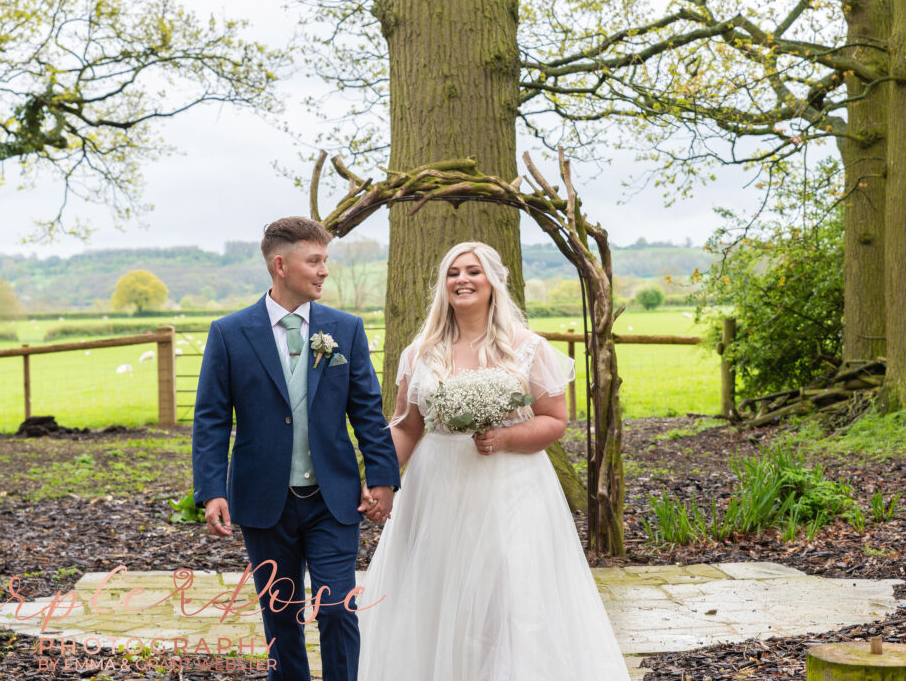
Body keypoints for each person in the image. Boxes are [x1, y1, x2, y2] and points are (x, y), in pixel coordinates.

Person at [356, 241, 629, 680]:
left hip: (511, 486)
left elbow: (555, 420)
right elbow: (407, 426)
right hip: (437, 486)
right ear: (443, 286)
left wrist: (505, 437)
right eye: (453, 273)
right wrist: (380, 480)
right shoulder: (420, 352)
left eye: (473, 271)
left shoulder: (527, 348)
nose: (462, 280)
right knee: (435, 587)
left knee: (507, 589)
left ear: (493, 282)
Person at [192, 216, 401, 681]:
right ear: (281, 265)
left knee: (336, 610)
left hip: (334, 498)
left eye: (326, 260)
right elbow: (210, 417)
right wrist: (211, 490)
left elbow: (367, 409)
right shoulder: (229, 333)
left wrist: (383, 477)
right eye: (315, 261)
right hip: (264, 500)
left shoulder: (344, 329)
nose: (325, 270)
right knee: (281, 618)